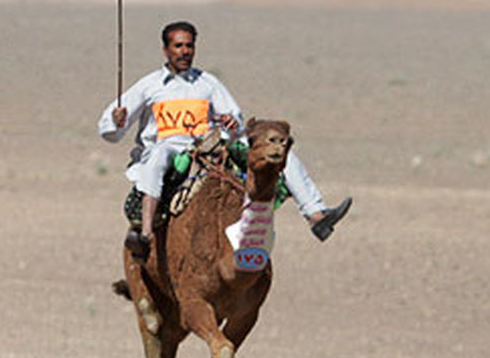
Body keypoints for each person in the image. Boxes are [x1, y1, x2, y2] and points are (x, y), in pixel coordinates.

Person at [98, 21, 352, 260]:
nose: (184, 51)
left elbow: (236, 121)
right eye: (178, 46)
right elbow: (109, 130)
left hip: (208, 146)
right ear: (165, 50)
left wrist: (230, 123)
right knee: (156, 159)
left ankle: (315, 215)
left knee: (279, 152)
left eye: (189, 46)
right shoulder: (149, 85)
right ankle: (146, 235)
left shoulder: (208, 83)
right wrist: (117, 120)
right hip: (167, 147)